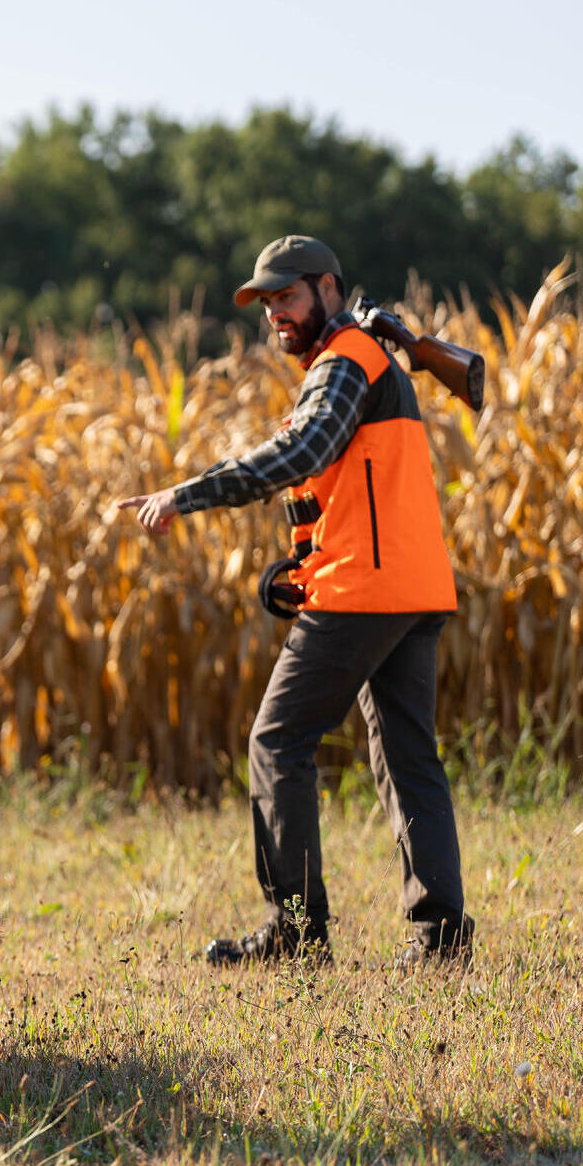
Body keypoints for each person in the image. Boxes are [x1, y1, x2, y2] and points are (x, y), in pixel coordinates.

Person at [117, 234, 474, 969]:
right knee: (408, 756)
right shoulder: (360, 358)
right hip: (413, 585)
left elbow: (301, 451)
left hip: (364, 589)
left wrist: (188, 493)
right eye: (268, 301)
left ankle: (296, 933)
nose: (276, 312)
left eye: (288, 295)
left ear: (329, 288)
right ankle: (442, 937)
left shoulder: (346, 361)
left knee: (277, 742)